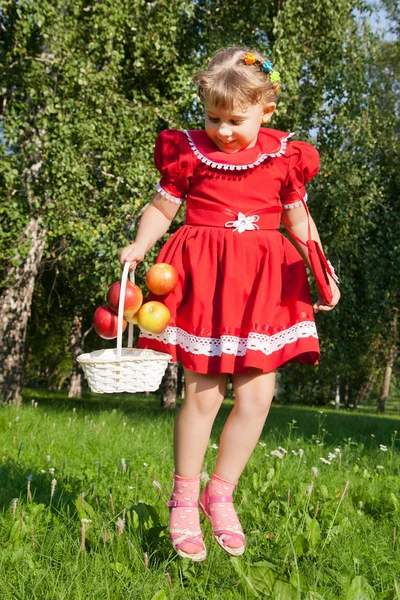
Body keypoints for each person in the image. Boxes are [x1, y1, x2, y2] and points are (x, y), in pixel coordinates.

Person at [119, 46, 340, 562]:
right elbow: (161, 206)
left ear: (268, 109)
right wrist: (140, 244)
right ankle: (182, 497)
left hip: (264, 283)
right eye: (213, 117)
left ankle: (221, 493)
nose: (222, 130)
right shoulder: (190, 153)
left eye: (235, 120)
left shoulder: (283, 157)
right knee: (203, 395)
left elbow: (299, 221)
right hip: (206, 282)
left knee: (257, 397)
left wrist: (321, 268)